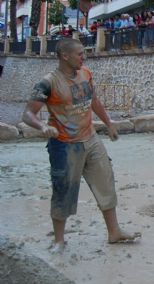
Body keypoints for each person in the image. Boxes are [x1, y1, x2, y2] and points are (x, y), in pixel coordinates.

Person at [21, 38, 140, 253]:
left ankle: (114, 232)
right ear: (65, 56)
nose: (83, 57)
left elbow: (93, 99)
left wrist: (109, 123)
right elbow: (28, 113)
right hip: (64, 145)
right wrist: (42, 126)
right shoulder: (48, 82)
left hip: (91, 139)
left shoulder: (85, 73)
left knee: (106, 181)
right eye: (80, 54)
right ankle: (59, 240)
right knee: (63, 190)